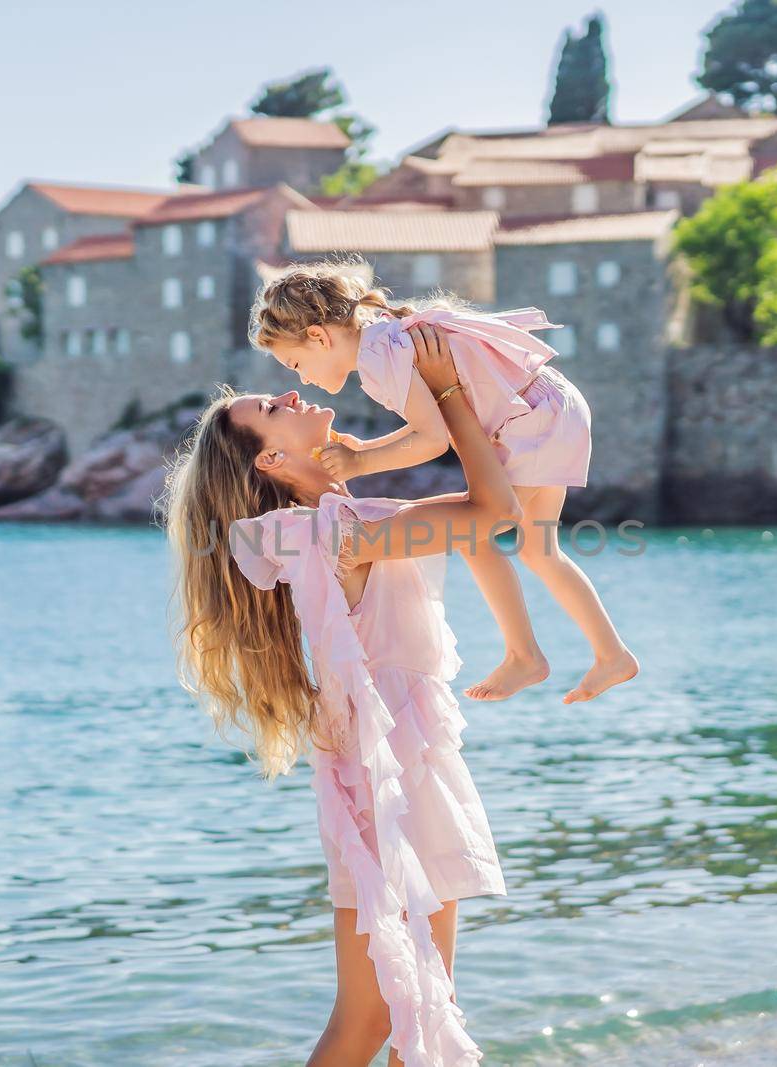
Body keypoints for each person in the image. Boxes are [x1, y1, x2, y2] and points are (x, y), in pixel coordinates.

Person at [165, 324, 517, 1066]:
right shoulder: (345, 532)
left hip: (377, 761)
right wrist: (446, 387)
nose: (293, 390)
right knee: (390, 1011)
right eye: (274, 402)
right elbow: (495, 512)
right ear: (273, 458)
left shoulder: (315, 530)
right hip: (396, 768)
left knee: (401, 1007)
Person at [250, 261, 638, 704]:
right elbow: (431, 423)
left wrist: (360, 464)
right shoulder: (383, 339)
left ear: (319, 336)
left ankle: (525, 655)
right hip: (549, 405)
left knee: (475, 530)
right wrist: (367, 450)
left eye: (297, 363)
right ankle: (611, 654)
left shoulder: (378, 361)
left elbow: (432, 441)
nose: (302, 378)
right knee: (537, 548)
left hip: (529, 421)